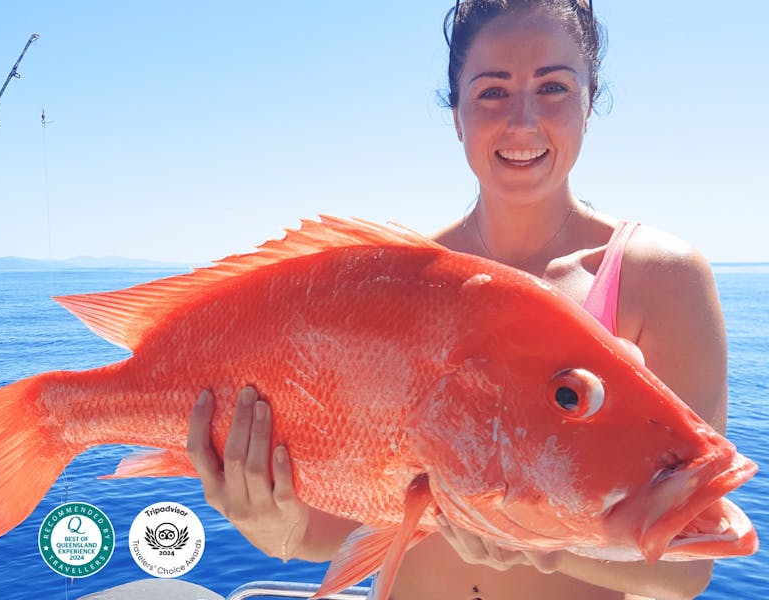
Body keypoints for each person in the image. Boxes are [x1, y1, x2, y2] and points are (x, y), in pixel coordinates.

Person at [186, 1, 728, 598]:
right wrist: (274, 526)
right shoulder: (398, 285)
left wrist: (540, 547)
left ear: (589, 102)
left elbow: (688, 569)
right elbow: (340, 526)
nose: (522, 121)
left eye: (553, 87)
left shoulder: (660, 276)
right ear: (457, 116)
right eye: (492, 92)